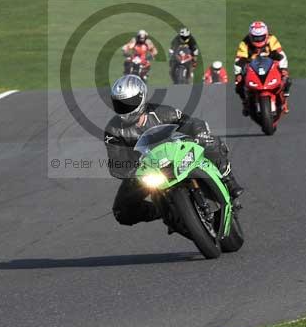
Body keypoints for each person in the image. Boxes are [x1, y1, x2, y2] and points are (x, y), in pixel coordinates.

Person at [104, 74, 244, 226]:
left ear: (141, 97)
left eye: (129, 102)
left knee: (210, 142)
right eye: (120, 104)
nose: (125, 108)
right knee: (121, 211)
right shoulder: (113, 131)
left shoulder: (162, 112)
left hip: (176, 155)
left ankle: (228, 181)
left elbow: (190, 122)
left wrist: (200, 133)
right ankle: (160, 211)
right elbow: (116, 161)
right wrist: (128, 172)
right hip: (146, 171)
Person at [233, 21, 291, 114]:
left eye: (260, 37)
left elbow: (281, 54)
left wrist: (283, 68)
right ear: (251, 36)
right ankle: (245, 102)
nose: (258, 40)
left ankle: (284, 101)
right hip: (252, 66)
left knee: (286, 79)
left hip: (270, 64)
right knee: (239, 84)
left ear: (266, 35)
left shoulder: (272, 39)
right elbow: (239, 58)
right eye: (255, 38)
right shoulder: (244, 42)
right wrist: (238, 73)